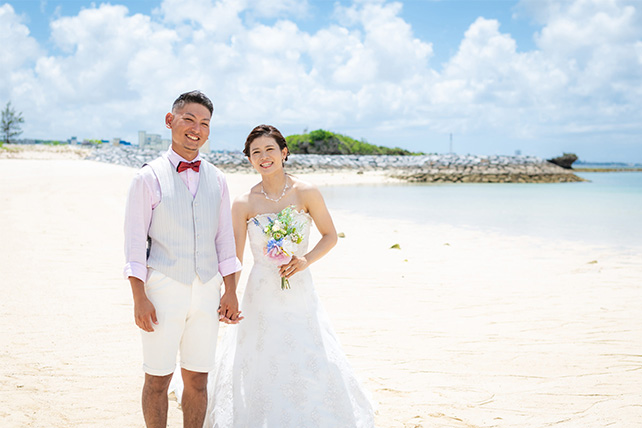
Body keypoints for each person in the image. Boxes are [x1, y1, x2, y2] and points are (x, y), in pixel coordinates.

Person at [203, 124, 375, 427]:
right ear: (250, 160)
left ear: (284, 152)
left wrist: (304, 260)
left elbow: (330, 236)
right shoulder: (243, 203)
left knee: (307, 346)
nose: (263, 156)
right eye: (256, 152)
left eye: (270, 149)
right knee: (259, 353)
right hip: (260, 290)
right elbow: (235, 256)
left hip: (299, 286)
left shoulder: (306, 192)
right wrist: (229, 292)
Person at [124, 90, 243, 428]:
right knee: (157, 379)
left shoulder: (217, 179)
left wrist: (230, 290)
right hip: (161, 290)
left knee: (198, 381)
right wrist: (139, 298)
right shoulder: (146, 178)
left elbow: (225, 240)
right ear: (169, 121)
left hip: (207, 291)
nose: (196, 128)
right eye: (189, 119)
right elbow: (134, 245)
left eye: (204, 123)